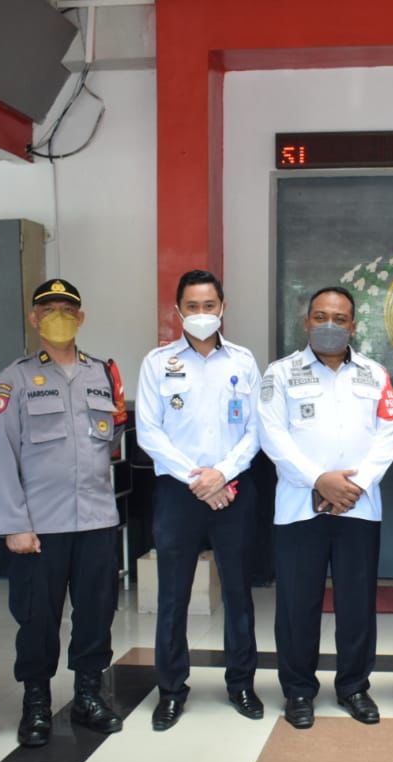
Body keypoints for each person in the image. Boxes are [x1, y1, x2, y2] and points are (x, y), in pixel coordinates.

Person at [0, 279, 127, 747]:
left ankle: (88, 695)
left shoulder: (103, 374)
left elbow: (112, 441)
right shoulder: (15, 379)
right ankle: (36, 703)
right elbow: (2, 456)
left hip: (96, 519)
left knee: (96, 613)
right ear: (35, 318)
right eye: (48, 309)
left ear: (81, 317)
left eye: (67, 309)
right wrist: (14, 525)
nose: (59, 316)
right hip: (39, 526)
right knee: (37, 619)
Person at [258, 286, 393, 729]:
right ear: (306, 323)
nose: (329, 326)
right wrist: (320, 480)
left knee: (357, 605)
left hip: (358, 507)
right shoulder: (280, 374)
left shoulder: (375, 374)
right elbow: (272, 436)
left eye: (340, 319)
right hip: (299, 508)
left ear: (354, 326)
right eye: (320, 317)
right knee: (297, 605)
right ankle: (299, 691)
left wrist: (353, 486)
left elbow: (389, 434)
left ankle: (354, 687)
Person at [136, 269, 263, 731]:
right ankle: (171, 690)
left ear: (223, 308)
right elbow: (149, 431)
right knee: (173, 596)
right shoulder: (157, 363)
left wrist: (222, 474)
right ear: (178, 311)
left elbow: (256, 429)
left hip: (233, 489)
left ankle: (241, 684)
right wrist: (198, 479)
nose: (202, 314)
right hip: (179, 491)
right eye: (192, 306)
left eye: (210, 306)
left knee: (238, 592)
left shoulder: (244, 361)